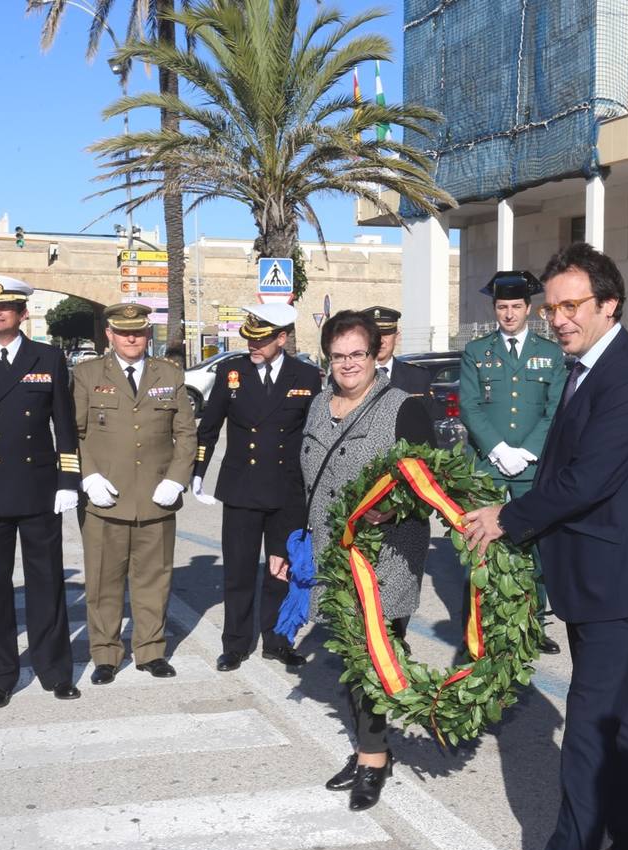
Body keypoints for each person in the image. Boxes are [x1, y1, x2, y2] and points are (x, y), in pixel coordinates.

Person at [462, 243, 628, 850]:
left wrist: (509, 518)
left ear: (608, 305)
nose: (557, 318)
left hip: (625, 582)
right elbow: (566, 470)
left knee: (588, 729)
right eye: (551, 306)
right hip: (595, 576)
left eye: (571, 305)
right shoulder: (585, 367)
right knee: (619, 715)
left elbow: (589, 479)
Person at [273, 309, 435, 812]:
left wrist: (391, 508)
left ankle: (371, 758)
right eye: (338, 355)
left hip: (386, 561)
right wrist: (286, 546)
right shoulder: (320, 406)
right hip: (331, 559)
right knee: (351, 657)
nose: (348, 364)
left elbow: (429, 485)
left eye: (357, 354)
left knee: (375, 660)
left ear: (375, 354)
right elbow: (302, 481)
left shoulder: (404, 408)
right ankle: (373, 746)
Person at [0, 275, 81, 708]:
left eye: (4, 306)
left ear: (24, 312)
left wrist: (67, 481)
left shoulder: (48, 356)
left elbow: (63, 423)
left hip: (39, 485)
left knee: (47, 583)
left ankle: (55, 670)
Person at [192, 303, 321, 672]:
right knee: (238, 571)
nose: (252, 345)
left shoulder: (306, 377)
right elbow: (210, 425)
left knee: (282, 570)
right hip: (242, 488)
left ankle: (277, 641)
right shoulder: (232, 372)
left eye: (261, 339)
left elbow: (315, 435)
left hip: (286, 490)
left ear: (282, 338)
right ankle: (234, 644)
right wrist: (199, 470)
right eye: (249, 338)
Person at [74, 303, 197, 683]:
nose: (131, 338)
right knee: (103, 581)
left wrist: (177, 478)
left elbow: (186, 432)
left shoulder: (169, 373)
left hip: (156, 496)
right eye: (123, 331)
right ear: (108, 334)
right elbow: (73, 433)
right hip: (105, 500)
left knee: (154, 580)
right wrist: (89, 476)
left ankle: (150, 650)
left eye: (138, 332)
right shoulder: (87, 374)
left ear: (148, 335)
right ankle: (106, 654)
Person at [458, 270, 567, 654]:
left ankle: (534, 624)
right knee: (480, 545)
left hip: (531, 467)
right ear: (494, 309)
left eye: (515, 307)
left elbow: (555, 408)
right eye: (502, 307)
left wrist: (527, 451)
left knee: (531, 545)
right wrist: (499, 449)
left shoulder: (551, 353)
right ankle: (482, 623)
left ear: (529, 308)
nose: (508, 314)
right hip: (489, 465)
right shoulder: (476, 352)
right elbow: (469, 406)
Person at [359, 306, 431, 396]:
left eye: (385, 334)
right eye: (375, 335)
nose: (380, 341)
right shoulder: (351, 375)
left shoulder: (417, 377)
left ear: (397, 338)